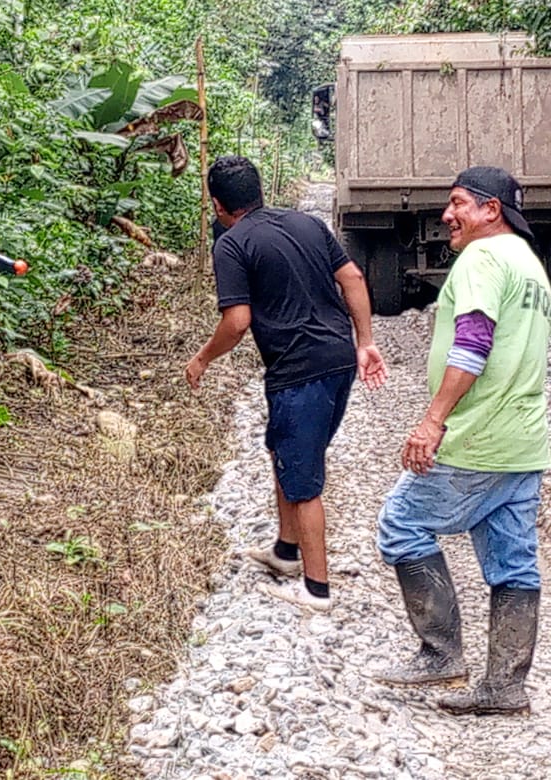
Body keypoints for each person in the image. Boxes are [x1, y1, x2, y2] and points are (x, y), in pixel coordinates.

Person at [376, 166, 549, 716]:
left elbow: (473, 345)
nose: (448, 215)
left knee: (401, 523)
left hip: (479, 438)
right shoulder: (531, 265)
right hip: (524, 440)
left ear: (490, 209)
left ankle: (440, 653)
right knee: (514, 563)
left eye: (458, 203)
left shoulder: (483, 258)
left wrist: (433, 421)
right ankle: (504, 687)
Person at [185, 155, 387, 611]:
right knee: (283, 450)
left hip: (299, 371)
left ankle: (316, 589)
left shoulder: (232, 245)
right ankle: (286, 550)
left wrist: (202, 359)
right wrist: (365, 341)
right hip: (338, 359)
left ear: (217, 204)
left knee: (304, 480)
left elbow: (237, 321)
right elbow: (352, 277)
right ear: (259, 191)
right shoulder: (307, 223)